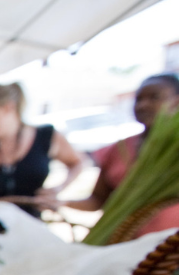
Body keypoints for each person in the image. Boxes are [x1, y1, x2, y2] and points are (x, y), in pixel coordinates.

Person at [53, 74, 179, 237]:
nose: (142, 105)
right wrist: (62, 202)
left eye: (154, 97)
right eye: (138, 99)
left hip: (168, 252)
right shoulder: (119, 149)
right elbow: (99, 199)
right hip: (119, 246)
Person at [0, 83, 84, 218]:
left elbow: (77, 162)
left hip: (33, 229)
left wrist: (59, 188)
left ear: (9, 108)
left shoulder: (45, 137)